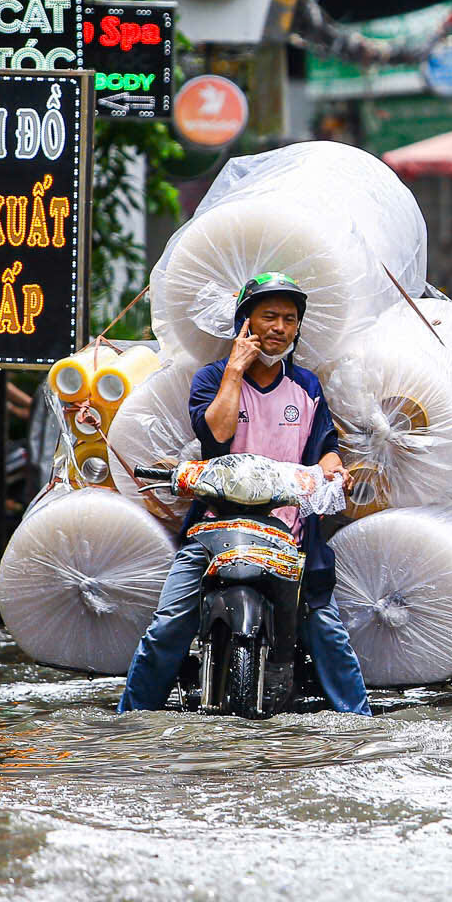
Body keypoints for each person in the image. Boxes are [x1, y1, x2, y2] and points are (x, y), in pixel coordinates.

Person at [118, 273, 371, 715]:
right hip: (214, 528)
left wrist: (334, 470)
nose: (279, 328)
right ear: (245, 322)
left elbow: (326, 448)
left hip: (290, 534)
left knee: (327, 630)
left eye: (289, 319)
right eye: (269, 316)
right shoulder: (212, 378)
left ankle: (358, 722)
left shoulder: (307, 386)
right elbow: (216, 433)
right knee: (167, 625)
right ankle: (131, 720)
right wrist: (235, 369)